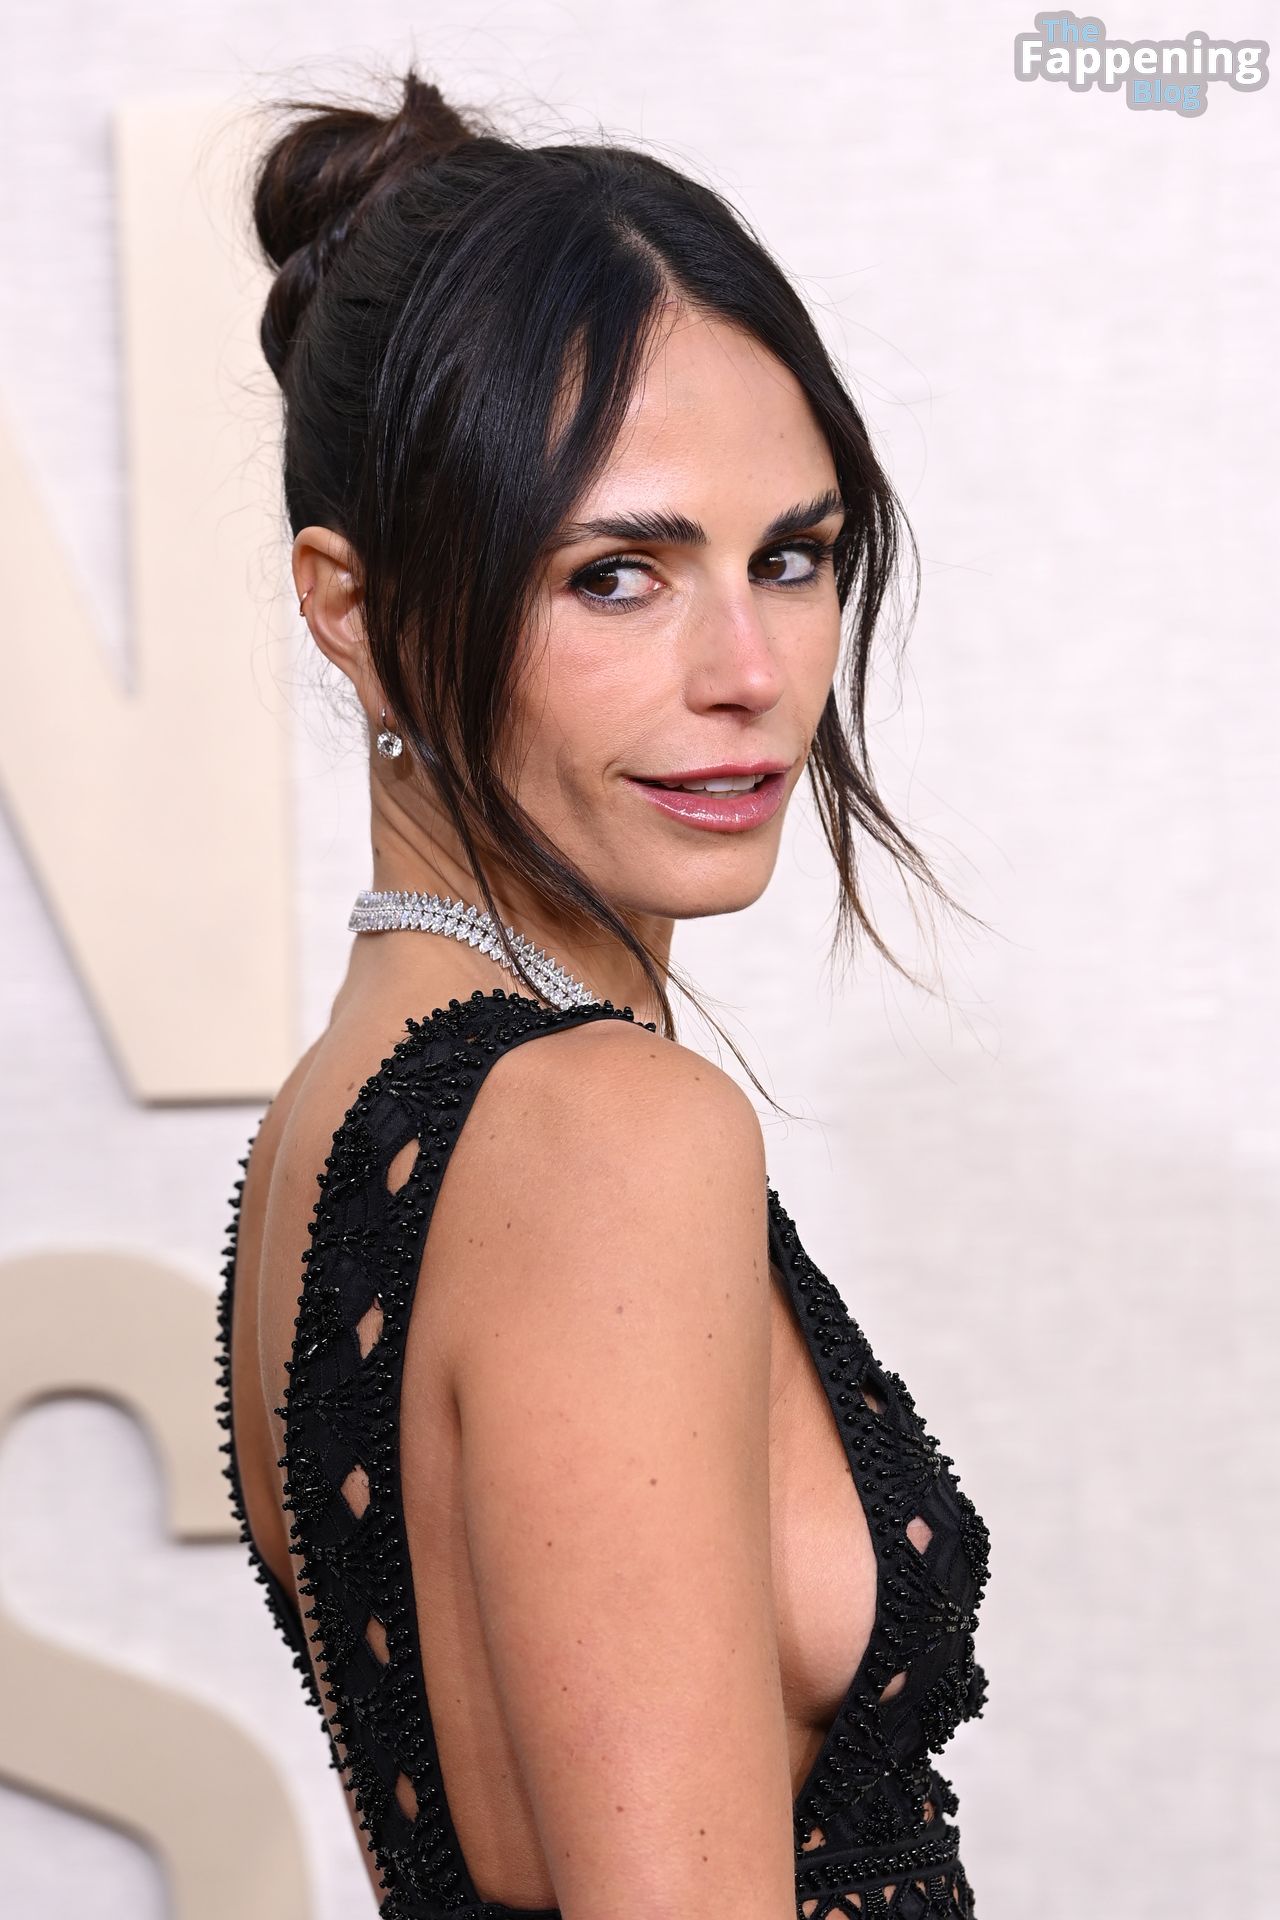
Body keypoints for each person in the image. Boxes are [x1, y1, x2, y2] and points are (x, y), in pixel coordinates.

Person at [214, 65, 991, 1920]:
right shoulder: (610, 1131)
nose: (750, 672)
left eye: (791, 557)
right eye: (618, 574)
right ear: (354, 608)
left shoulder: (335, 1123)